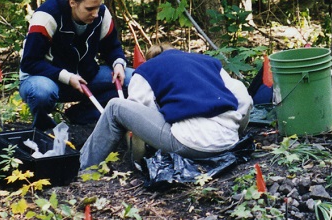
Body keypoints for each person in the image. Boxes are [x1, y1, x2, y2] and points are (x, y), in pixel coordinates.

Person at [79, 44, 253, 170]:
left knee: (115, 106)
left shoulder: (147, 70)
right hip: (229, 141)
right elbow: (245, 100)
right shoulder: (209, 62)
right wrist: (236, 130)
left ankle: (84, 168)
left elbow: (142, 114)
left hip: (190, 143)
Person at [19, 0, 132, 130]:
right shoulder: (47, 16)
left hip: (85, 76)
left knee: (133, 79)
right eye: (89, 9)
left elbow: (111, 46)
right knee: (41, 92)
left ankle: (80, 116)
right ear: (73, 2)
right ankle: (44, 130)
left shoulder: (101, 14)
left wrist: (118, 64)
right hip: (47, 79)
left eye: (98, 7)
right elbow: (29, 62)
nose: (95, 13)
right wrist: (67, 76)